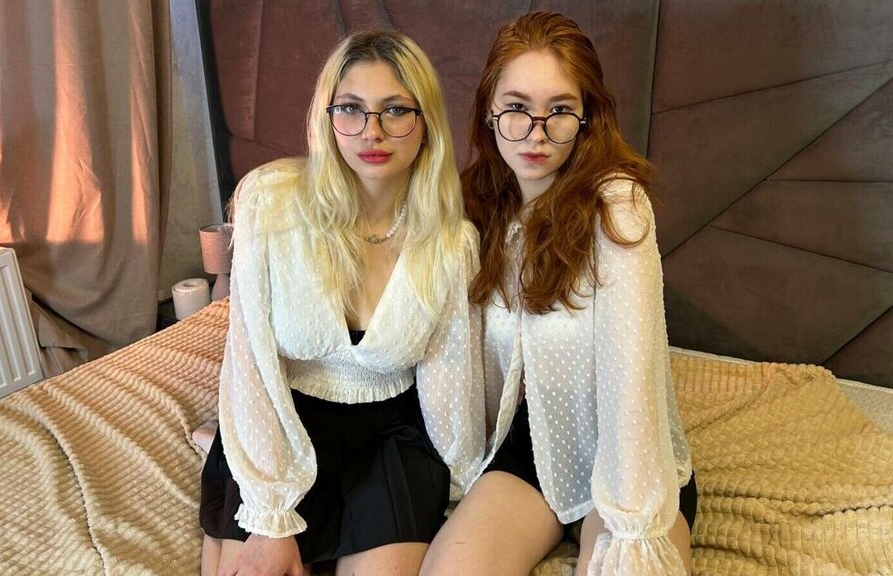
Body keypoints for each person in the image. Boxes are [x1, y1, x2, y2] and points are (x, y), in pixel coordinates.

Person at [198, 30, 484, 576]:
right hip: (284, 426)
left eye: (395, 110)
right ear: (328, 118)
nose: (371, 131)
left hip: (391, 441)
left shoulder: (451, 244)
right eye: (351, 108)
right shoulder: (270, 201)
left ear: (426, 124)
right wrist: (270, 514)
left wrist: (463, 490)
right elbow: (249, 358)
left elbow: (450, 383)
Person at [421, 12, 694, 576]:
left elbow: (632, 375)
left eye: (560, 110)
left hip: (627, 446)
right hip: (530, 444)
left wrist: (630, 528)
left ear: (587, 117)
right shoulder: (474, 207)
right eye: (517, 108)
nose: (536, 133)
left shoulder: (618, 206)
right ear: (490, 112)